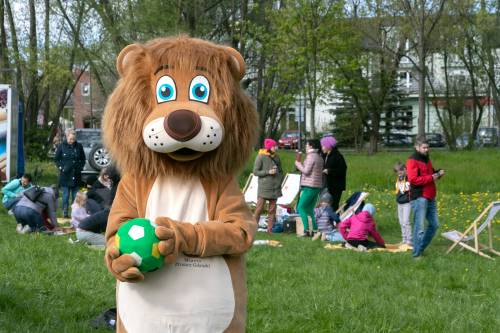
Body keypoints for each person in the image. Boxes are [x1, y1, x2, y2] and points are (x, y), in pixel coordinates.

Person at [406, 136, 445, 258]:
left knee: (434, 225)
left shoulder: (426, 159)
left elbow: (430, 174)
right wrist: (432, 177)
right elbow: (413, 180)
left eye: (427, 147)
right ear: (416, 147)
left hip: (430, 196)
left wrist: (438, 173)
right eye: (424, 147)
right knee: (419, 227)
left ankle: (420, 248)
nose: (426, 149)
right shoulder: (412, 160)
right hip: (419, 198)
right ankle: (416, 255)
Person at [76, 164, 121, 246]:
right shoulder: (109, 213)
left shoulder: (112, 188)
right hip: (83, 231)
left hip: (84, 229)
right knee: (114, 244)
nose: (108, 180)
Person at [252, 138, 283, 233]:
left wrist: (279, 180)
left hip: (275, 187)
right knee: (259, 209)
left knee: (272, 210)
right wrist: (268, 172)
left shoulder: (276, 157)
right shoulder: (260, 157)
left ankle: (269, 230)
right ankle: (253, 228)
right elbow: (255, 172)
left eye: (275, 146)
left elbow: (281, 171)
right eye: (274, 146)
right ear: (269, 147)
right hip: (264, 188)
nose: (275, 148)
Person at [295, 139, 324, 237]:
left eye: (307, 145)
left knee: (300, 207)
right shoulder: (319, 157)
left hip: (309, 186)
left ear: (311, 146)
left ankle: (306, 230)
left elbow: (306, 171)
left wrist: (298, 164)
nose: (306, 146)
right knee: (310, 209)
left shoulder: (311, 157)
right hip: (317, 187)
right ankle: (315, 230)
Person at [54, 128, 86, 218]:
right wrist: (61, 167)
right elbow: (56, 159)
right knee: (66, 195)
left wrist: (80, 167)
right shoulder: (61, 146)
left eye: (73, 139)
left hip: (76, 175)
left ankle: (74, 212)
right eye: (70, 139)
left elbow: (83, 159)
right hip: (65, 175)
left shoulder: (79, 146)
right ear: (67, 137)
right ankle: (65, 211)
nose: (72, 141)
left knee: (75, 196)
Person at [320, 136, 347, 211]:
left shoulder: (337, 156)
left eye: (323, 146)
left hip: (336, 186)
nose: (322, 148)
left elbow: (342, 170)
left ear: (329, 146)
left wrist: (329, 171)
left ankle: (334, 220)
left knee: (333, 204)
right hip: (328, 184)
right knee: (326, 203)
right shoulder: (326, 155)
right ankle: (327, 220)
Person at [394, 161, 412, 247]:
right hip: (399, 203)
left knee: (406, 222)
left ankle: (409, 241)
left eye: (401, 170)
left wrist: (407, 171)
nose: (399, 172)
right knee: (401, 222)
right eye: (397, 171)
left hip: (407, 203)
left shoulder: (408, 177)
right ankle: (404, 240)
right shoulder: (399, 178)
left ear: (405, 170)